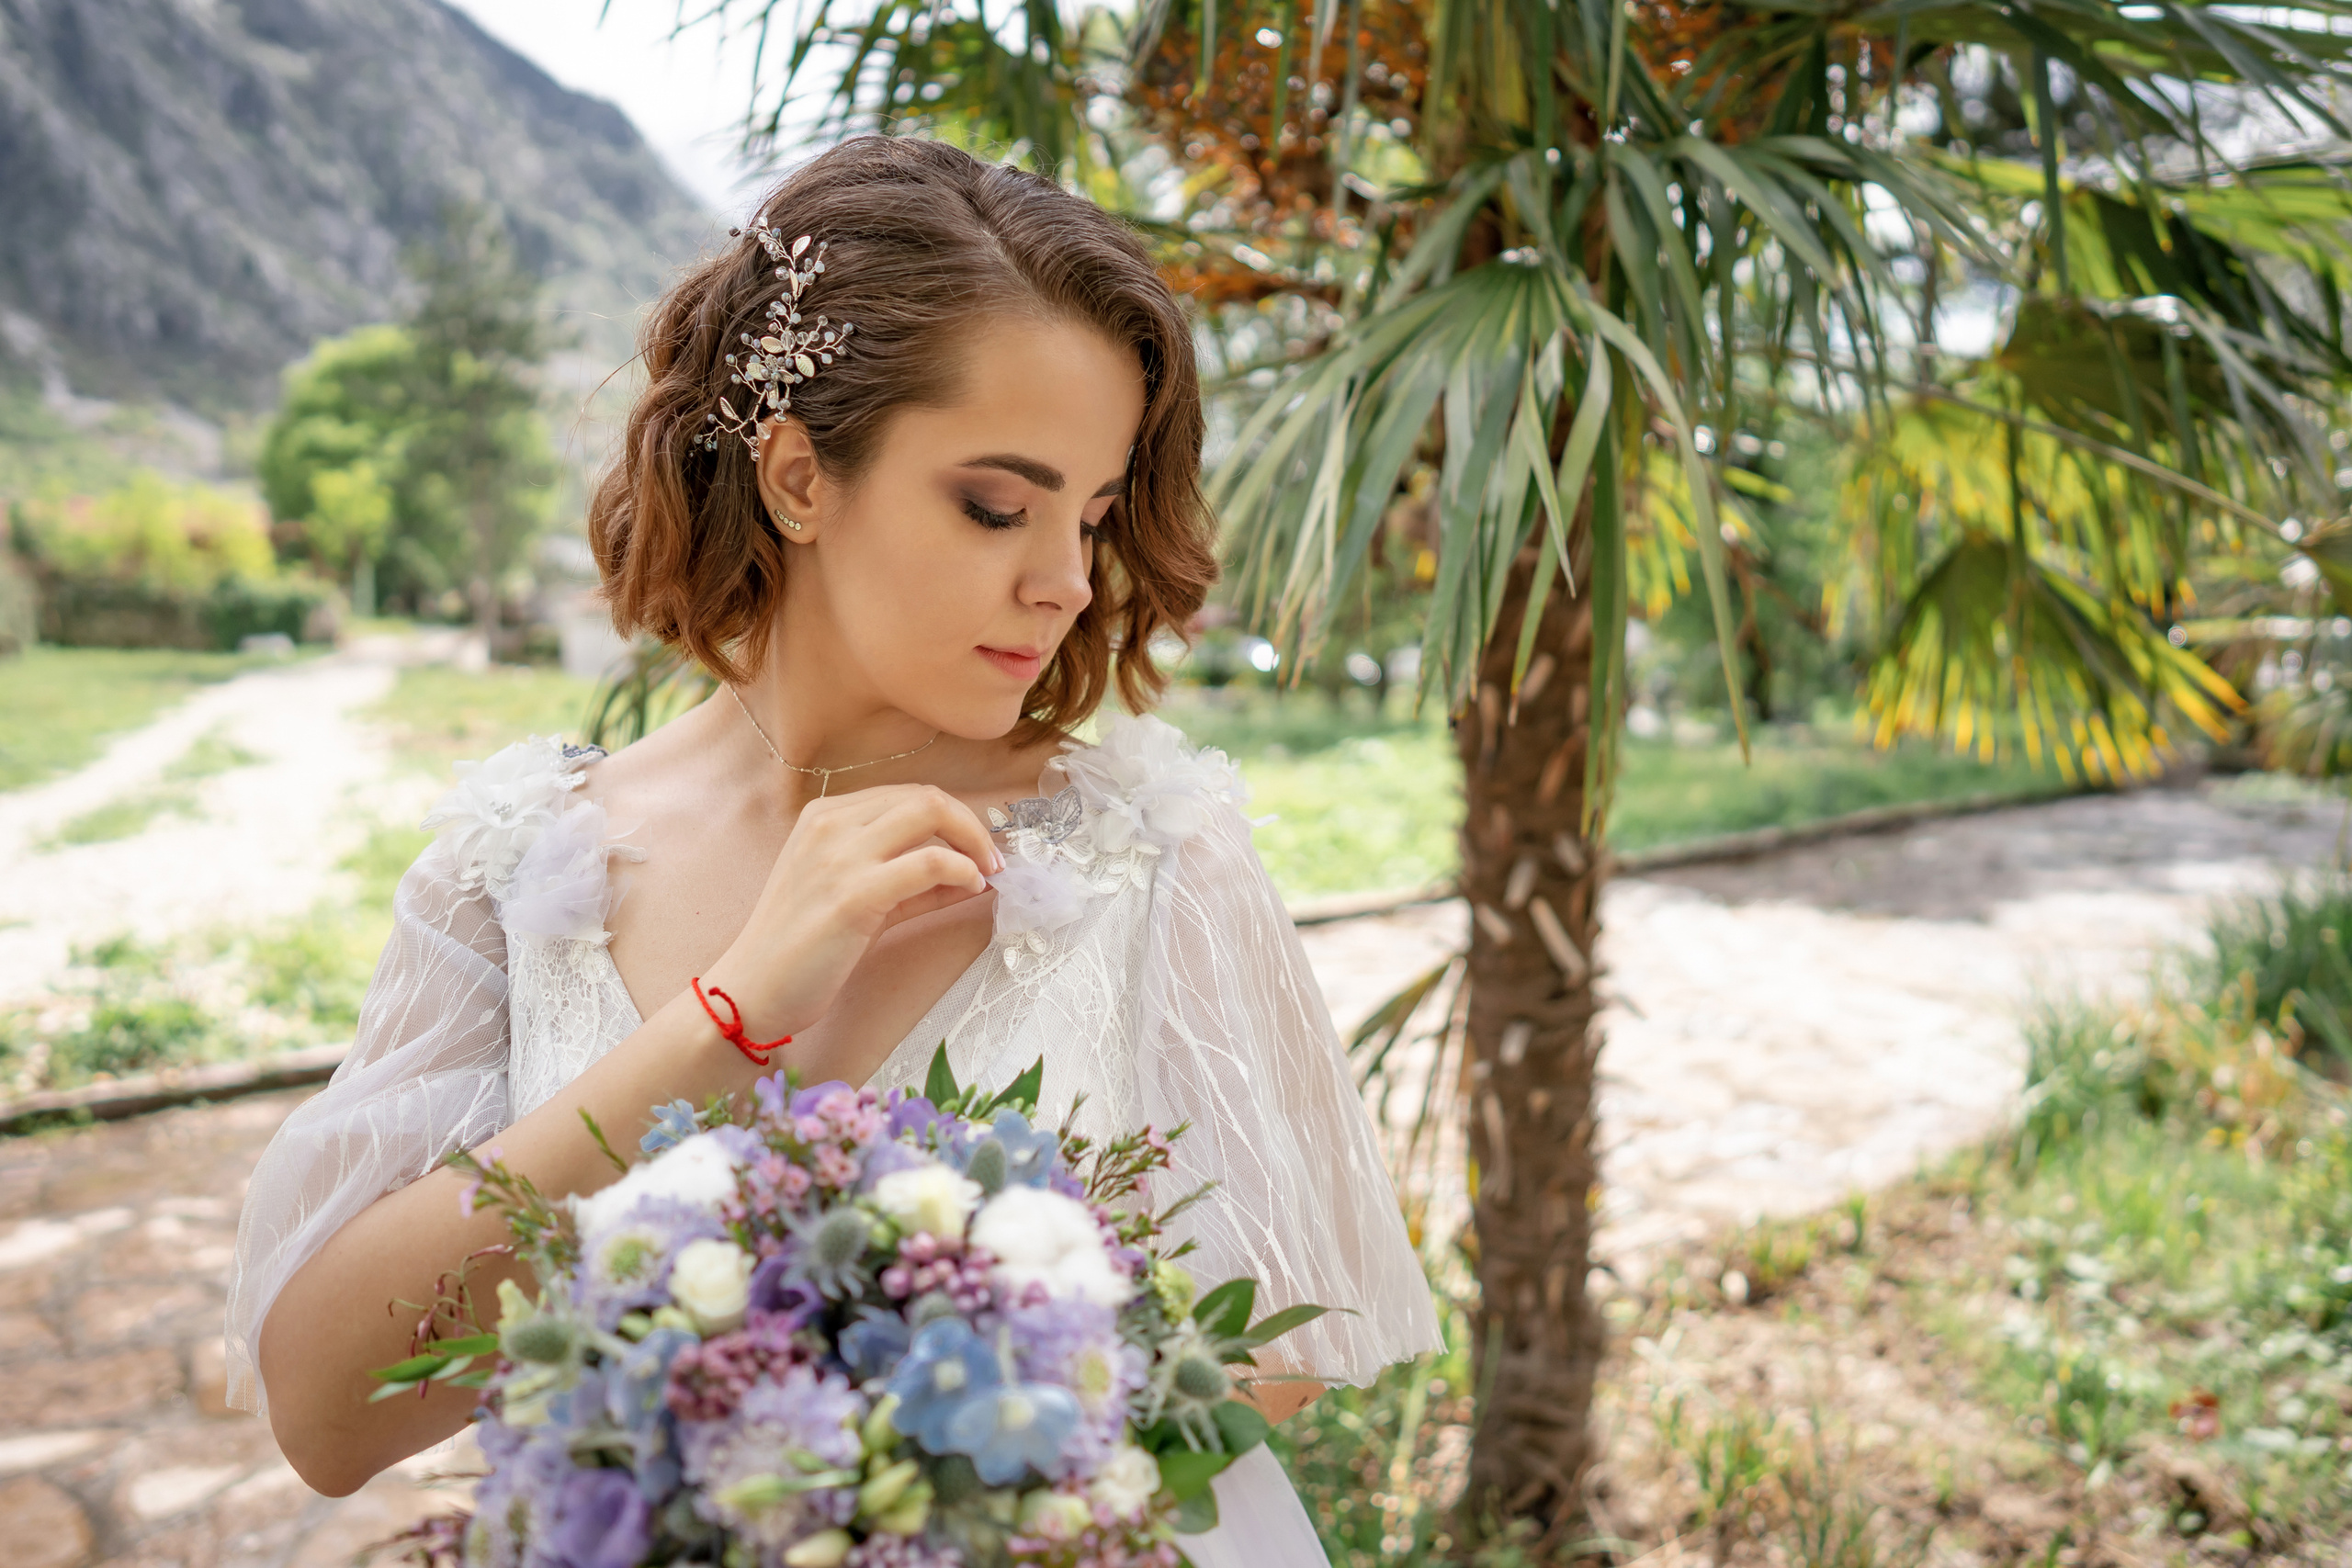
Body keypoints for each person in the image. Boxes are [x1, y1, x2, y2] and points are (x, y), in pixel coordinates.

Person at [225, 135, 1440, 1566]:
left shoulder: (1150, 856)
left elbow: (1278, 1350)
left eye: (1093, 517)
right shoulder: (522, 869)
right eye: (998, 506)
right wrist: (725, 1023)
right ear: (800, 477)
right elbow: (330, 1415)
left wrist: (875, 1508)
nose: (1065, 581)